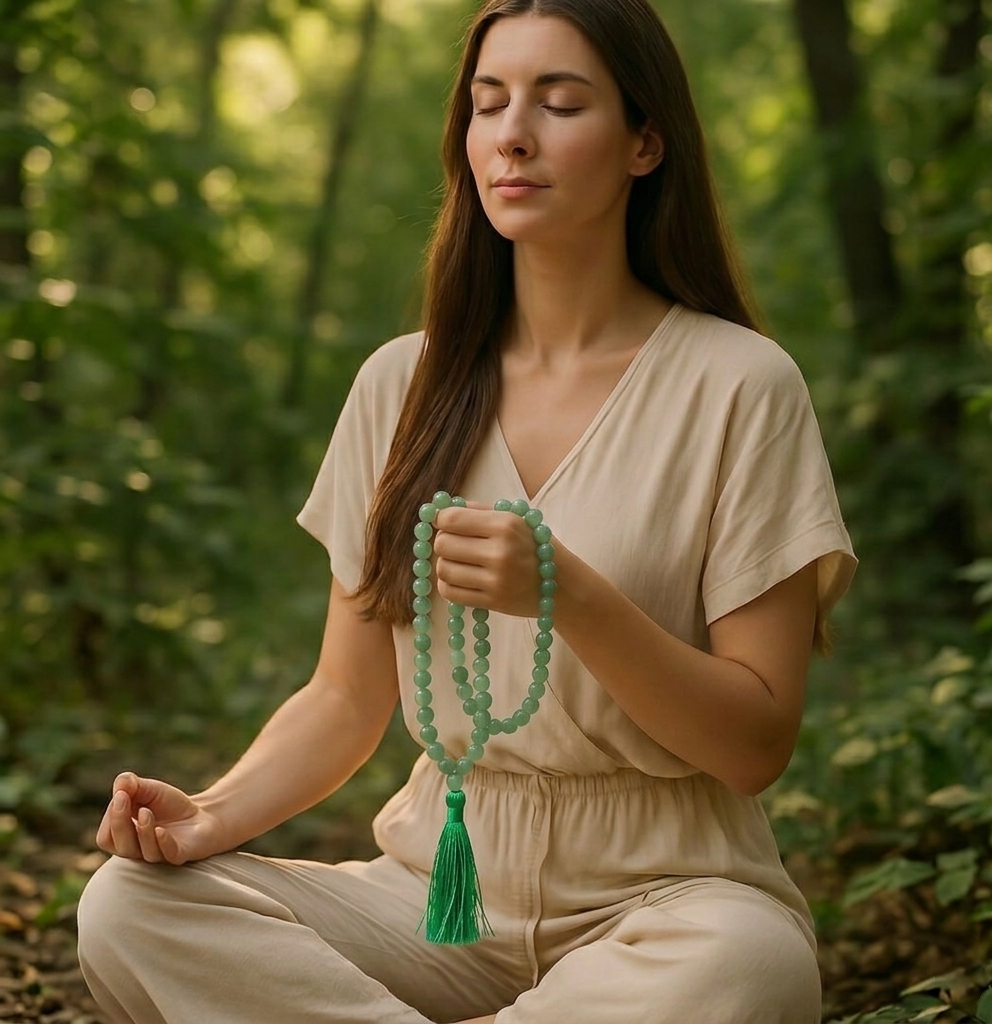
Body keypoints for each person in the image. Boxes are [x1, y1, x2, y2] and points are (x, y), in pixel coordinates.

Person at [76, 1, 858, 1022]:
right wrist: (206, 816)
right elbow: (345, 701)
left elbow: (755, 742)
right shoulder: (401, 386)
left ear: (644, 143)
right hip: (436, 902)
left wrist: (567, 592)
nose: (512, 134)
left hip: (669, 897)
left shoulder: (739, 385)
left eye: (559, 101)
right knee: (128, 906)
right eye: (488, 103)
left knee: (747, 966)